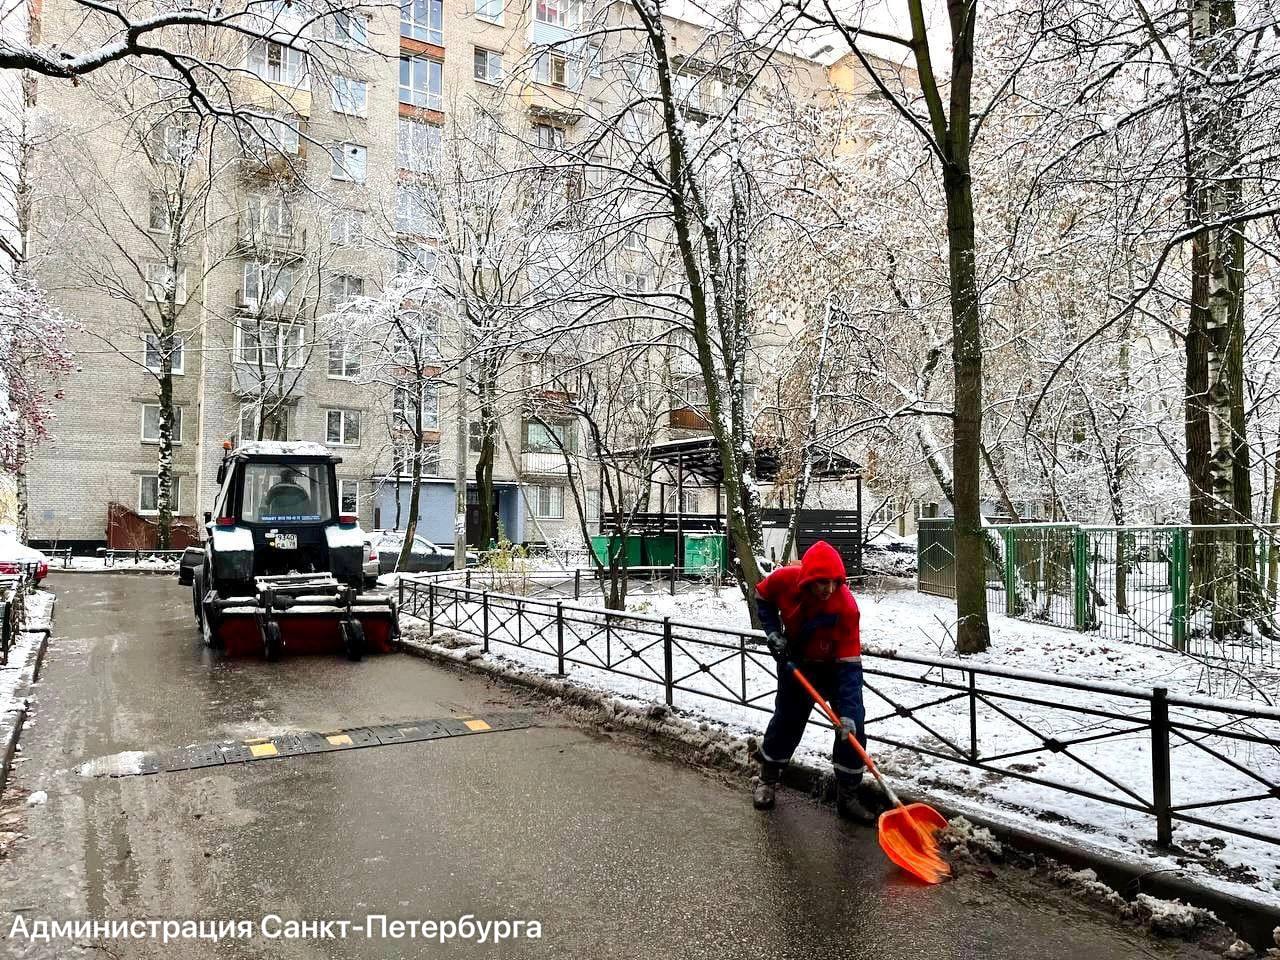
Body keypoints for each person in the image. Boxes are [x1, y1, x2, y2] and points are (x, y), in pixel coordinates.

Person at [752, 540, 874, 823]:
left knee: (852, 727)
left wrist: (848, 712)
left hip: (835, 669)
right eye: (821, 582)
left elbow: (850, 665)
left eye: (834, 582)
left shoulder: (846, 607)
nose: (828, 589)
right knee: (786, 721)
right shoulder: (784, 580)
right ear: (807, 579)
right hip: (796, 664)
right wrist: (772, 632)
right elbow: (762, 596)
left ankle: (848, 796)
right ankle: (767, 780)